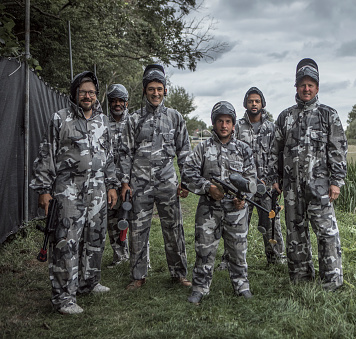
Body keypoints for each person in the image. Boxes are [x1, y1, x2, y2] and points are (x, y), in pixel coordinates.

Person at [30, 71, 119, 314]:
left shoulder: (103, 121)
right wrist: (43, 189)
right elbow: (47, 153)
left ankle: (88, 283)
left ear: (96, 95)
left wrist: (111, 185)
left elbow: (109, 156)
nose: (87, 96)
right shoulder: (60, 119)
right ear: (75, 94)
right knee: (66, 243)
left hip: (98, 190)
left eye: (91, 92)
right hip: (68, 192)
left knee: (95, 238)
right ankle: (63, 298)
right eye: (83, 92)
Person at [271, 58, 347, 291]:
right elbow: (275, 150)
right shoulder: (285, 117)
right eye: (302, 84)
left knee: (326, 233)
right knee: (295, 233)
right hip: (292, 189)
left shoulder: (328, 115)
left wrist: (336, 182)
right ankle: (301, 277)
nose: (306, 88)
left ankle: (332, 280)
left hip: (320, 187)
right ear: (296, 87)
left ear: (317, 87)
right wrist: (276, 179)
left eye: (310, 84)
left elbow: (338, 150)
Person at [119, 64, 191, 290]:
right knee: (138, 229)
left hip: (167, 183)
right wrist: (124, 182)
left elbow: (185, 151)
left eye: (159, 88)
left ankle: (179, 273)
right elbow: (125, 152)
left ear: (165, 90)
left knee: (174, 228)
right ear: (144, 90)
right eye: (151, 89)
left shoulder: (175, 117)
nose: (156, 93)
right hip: (139, 185)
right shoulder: (133, 119)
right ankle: (138, 275)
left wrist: (186, 180)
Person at [182, 101, 256, 304]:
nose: (224, 125)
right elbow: (187, 174)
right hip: (208, 211)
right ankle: (200, 287)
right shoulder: (202, 148)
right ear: (214, 123)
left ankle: (242, 285)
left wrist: (244, 199)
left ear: (234, 125)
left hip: (236, 211)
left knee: (238, 250)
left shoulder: (243, 149)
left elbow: (252, 180)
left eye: (228, 121)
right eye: (220, 121)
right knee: (204, 249)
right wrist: (208, 188)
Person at [233, 87, 285, 264]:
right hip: (244, 185)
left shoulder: (271, 128)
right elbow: (233, 155)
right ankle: (232, 259)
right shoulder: (237, 127)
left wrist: (271, 181)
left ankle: (276, 257)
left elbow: (276, 155)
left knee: (271, 221)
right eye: (250, 101)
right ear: (245, 104)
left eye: (257, 101)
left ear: (262, 103)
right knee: (238, 222)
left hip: (266, 185)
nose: (253, 104)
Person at [105, 84, 130, 267]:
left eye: (120, 100)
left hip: (131, 181)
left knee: (132, 219)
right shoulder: (102, 124)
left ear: (126, 102)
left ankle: (139, 257)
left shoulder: (134, 122)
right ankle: (119, 256)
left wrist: (128, 181)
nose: (117, 104)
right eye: (113, 101)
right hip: (110, 182)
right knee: (112, 219)